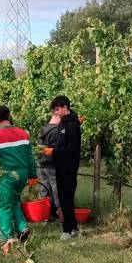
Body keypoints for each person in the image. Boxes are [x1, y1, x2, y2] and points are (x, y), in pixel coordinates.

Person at [0, 106, 38, 242]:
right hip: (23, 174)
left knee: (3, 205)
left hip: (7, 175)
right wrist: (33, 176)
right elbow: (30, 157)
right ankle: (23, 228)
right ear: (9, 116)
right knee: (14, 202)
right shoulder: (23, 133)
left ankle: (6, 238)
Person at [42, 95, 82, 240]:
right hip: (60, 165)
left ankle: (67, 229)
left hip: (68, 167)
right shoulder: (65, 122)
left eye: (58, 109)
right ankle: (73, 227)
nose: (56, 113)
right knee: (66, 198)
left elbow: (72, 148)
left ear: (65, 107)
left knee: (65, 198)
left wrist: (54, 151)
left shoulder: (71, 124)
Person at [38, 109, 63, 221]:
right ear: (57, 115)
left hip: (43, 165)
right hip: (53, 166)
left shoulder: (44, 129)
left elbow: (39, 149)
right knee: (59, 192)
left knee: (45, 191)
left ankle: (45, 217)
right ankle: (64, 219)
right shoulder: (57, 131)